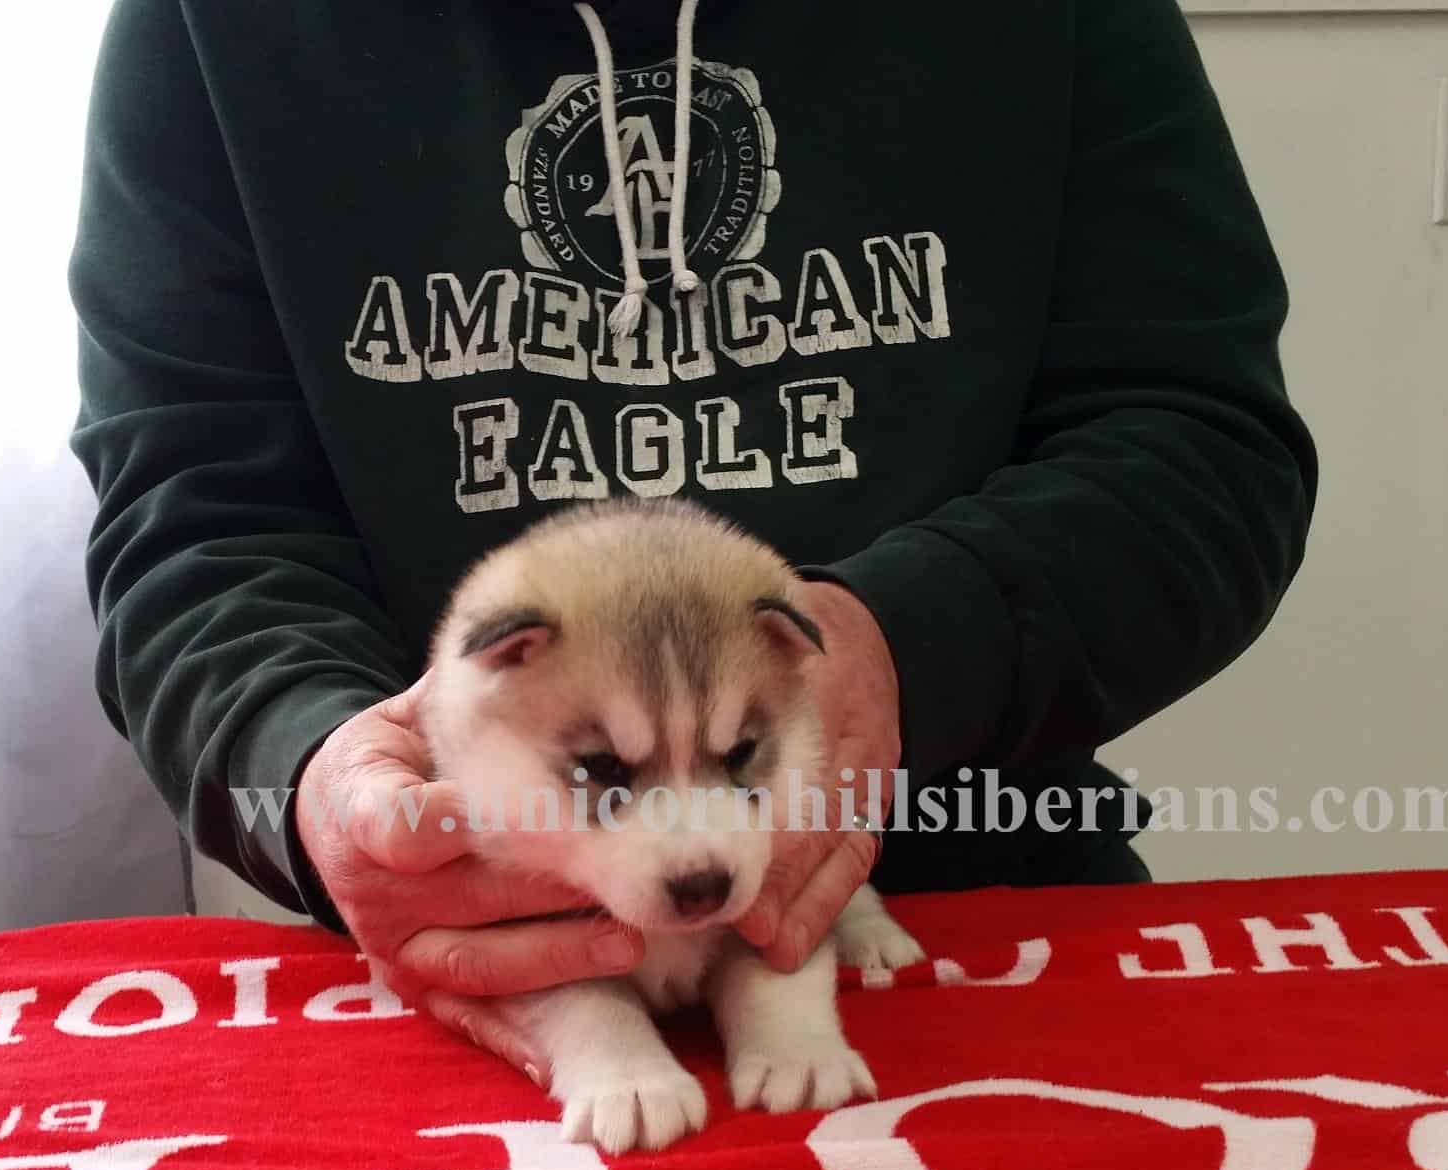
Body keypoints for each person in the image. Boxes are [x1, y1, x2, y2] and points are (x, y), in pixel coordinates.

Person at [66, 0, 1317, 1051]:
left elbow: (1203, 449)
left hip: (983, 921)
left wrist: (912, 645)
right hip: (491, 978)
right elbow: (196, 530)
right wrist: (313, 774)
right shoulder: (206, 27)